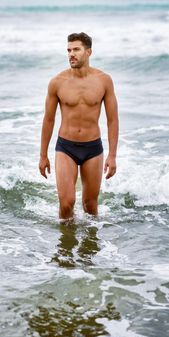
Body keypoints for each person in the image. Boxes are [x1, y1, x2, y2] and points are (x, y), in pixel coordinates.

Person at [39, 32, 119, 221]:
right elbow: (48, 120)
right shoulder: (57, 82)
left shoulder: (104, 81)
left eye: (76, 49)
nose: (71, 54)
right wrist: (43, 155)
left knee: (90, 205)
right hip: (66, 146)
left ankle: (90, 246)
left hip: (93, 148)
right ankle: (66, 244)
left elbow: (112, 120)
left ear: (88, 52)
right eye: (68, 50)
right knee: (66, 203)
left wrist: (112, 155)